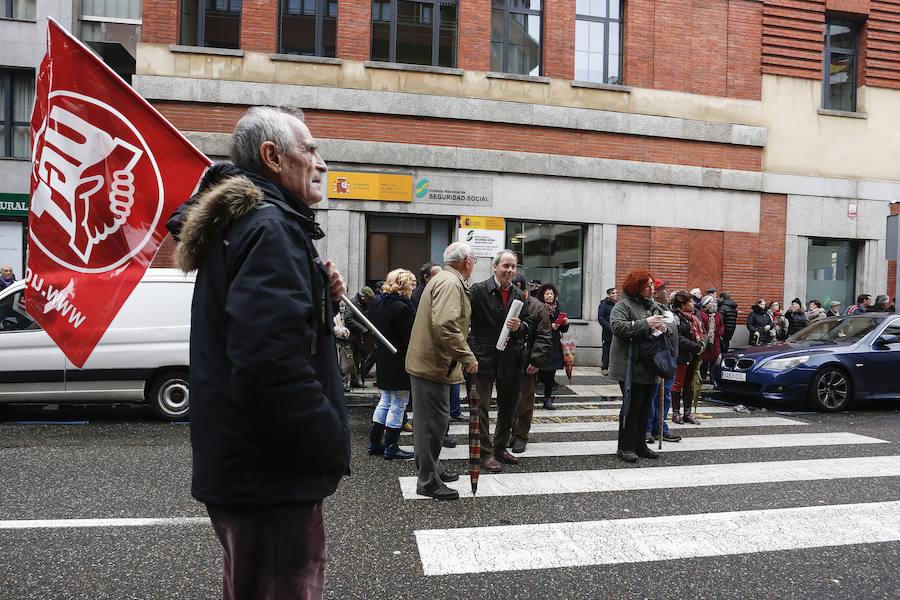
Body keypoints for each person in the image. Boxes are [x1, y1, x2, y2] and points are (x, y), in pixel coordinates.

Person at [169, 106, 350, 599]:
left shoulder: (248, 226)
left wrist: (320, 292)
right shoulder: (271, 229)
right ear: (272, 157)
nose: (322, 162)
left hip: (248, 467)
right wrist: (330, 438)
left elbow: (261, 333)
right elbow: (270, 365)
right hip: (272, 474)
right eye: (309, 149)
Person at [405, 241, 478, 500]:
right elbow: (446, 324)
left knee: (433, 424)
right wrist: (466, 355)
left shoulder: (443, 279)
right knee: (431, 427)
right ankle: (428, 481)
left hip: (431, 362)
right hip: (433, 364)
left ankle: (433, 468)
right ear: (467, 262)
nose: (474, 265)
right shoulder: (450, 283)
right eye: (474, 261)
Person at [468, 249, 530, 473]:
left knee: (508, 406)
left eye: (513, 266)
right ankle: (484, 454)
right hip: (482, 358)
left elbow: (527, 325)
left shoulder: (519, 294)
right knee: (481, 408)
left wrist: (519, 327)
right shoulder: (478, 290)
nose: (510, 270)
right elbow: (465, 321)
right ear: (495, 267)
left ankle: (500, 448)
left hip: (509, 358)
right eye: (506, 266)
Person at [609, 270, 676, 463]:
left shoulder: (654, 306)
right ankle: (626, 447)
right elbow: (617, 327)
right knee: (632, 406)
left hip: (651, 365)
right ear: (636, 286)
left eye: (653, 285)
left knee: (646, 407)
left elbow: (671, 325)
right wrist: (644, 323)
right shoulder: (623, 305)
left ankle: (640, 444)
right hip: (631, 366)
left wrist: (665, 328)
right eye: (648, 285)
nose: (653, 288)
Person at [367, 269, 417, 460]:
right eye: (411, 284)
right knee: (399, 403)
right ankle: (391, 446)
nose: (414, 288)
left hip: (383, 357)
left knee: (385, 400)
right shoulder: (402, 307)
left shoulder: (378, 302)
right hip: (399, 360)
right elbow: (409, 338)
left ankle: (374, 443)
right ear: (403, 286)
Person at [510, 273, 552, 453]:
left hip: (527, 361)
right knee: (508, 401)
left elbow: (544, 336)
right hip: (506, 361)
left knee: (525, 401)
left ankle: (520, 436)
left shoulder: (536, 307)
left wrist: (535, 360)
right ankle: (508, 433)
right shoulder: (505, 302)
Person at [646, 279, 680, 444]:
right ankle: (647, 428)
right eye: (664, 289)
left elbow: (674, 331)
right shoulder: (651, 308)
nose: (667, 292)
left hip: (670, 357)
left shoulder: (668, 310)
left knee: (665, 395)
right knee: (652, 395)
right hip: (657, 357)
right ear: (656, 292)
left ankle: (660, 427)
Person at [669, 291, 704, 425]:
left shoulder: (694, 317)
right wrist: (695, 347)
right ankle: (676, 413)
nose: (693, 303)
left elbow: (703, 332)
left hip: (694, 355)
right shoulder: (675, 317)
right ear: (682, 305)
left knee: (689, 385)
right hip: (681, 355)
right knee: (677, 384)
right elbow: (677, 338)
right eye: (690, 302)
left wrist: (702, 344)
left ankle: (688, 414)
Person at [537, 282, 569, 410]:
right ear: (542, 295)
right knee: (538, 371)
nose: (550, 296)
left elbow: (563, 329)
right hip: (540, 344)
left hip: (554, 344)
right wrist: (551, 327)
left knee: (551, 373)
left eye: (551, 293)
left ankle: (547, 398)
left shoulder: (558, 307)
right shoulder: (538, 306)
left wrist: (565, 323)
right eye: (547, 293)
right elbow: (535, 325)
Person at [344, 286, 375, 387]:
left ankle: (355, 381)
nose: (370, 301)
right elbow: (348, 318)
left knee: (358, 359)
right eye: (369, 299)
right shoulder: (352, 303)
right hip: (352, 336)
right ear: (363, 297)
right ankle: (348, 381)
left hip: (360, 337)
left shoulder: (364, 304)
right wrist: (363, 329)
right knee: (350, 360)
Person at [698, 295, 724, 384]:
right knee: (704, 360)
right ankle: (702, 377)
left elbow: (721, 325)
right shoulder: (700, 313)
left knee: (714, 360)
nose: (712, 304)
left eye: (713, 302)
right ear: (705, 304)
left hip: (715, 341)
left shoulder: (716, 313)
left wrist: (720, 333)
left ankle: (713, 378)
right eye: (710, 302)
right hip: (705, 340)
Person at [597, 287, 618, 375]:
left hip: (617, 332)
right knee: (606, 350)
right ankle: (604, 368)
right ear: (609, 295)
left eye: (616, 293)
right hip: (607, 332)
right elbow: (601, 318)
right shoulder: (604, 304)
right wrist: (610, 327)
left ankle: (614, 368)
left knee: (616, 350)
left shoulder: (617, 304)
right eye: (613, 293)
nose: (615, 295)